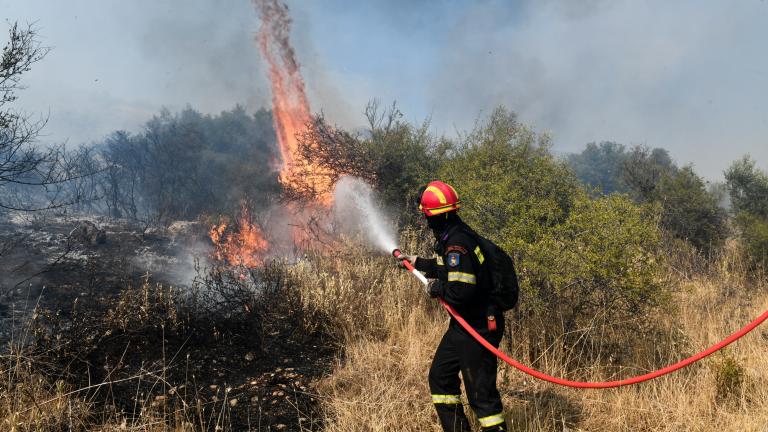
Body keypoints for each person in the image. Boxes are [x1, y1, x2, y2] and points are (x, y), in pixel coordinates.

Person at [398, 180, 507, 432]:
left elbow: (462, 290)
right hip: (464, 324)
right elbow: (452, 270)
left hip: (478, 326)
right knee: (441, 378)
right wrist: (418, 262)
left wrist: (438, 288)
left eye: (427, 215)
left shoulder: (457, 243)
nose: (426, 221)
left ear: (437, 216)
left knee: (481, 396)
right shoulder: (457, 234)